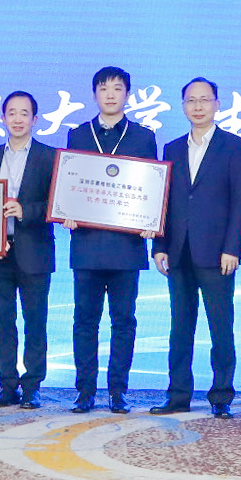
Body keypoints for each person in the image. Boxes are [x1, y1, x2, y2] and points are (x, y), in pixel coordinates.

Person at [152, 78, 241, 418]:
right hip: (178, 252)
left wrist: (233, 248)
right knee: (180, 328)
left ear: (217, 104)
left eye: (205, 100)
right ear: (183, 106)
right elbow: (164, 201)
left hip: (218, 254)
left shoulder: (234, 147)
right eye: (191, 100)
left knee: (220, 328)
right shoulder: (172, 148)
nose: (198, 106)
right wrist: (160, 245)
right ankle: (178, 395)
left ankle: (221, 395)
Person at [64, 66, 158, 414]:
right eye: (103, 88)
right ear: (94, 94)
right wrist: (65, 210)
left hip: (126, 247)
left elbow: (152, 186)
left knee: (124, 323)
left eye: (117, 88)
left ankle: (118, 391)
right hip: (87, 245)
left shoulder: (143, 137)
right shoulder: (78, 135)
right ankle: (85, 391)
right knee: (84, 322)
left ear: (127, 95)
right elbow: (70, 183)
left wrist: (151, 220)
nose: (110, 94)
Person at [0, 90, 58, 408]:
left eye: (24, 113)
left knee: (35, 322)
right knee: (2, 322)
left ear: (34, 119)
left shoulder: (49, 157)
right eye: (11, 113)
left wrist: (26, 210)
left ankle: (32, 386)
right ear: (2, 118)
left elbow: (57, 203)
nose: (17, 119)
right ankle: (7, 385)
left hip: (34, 250)